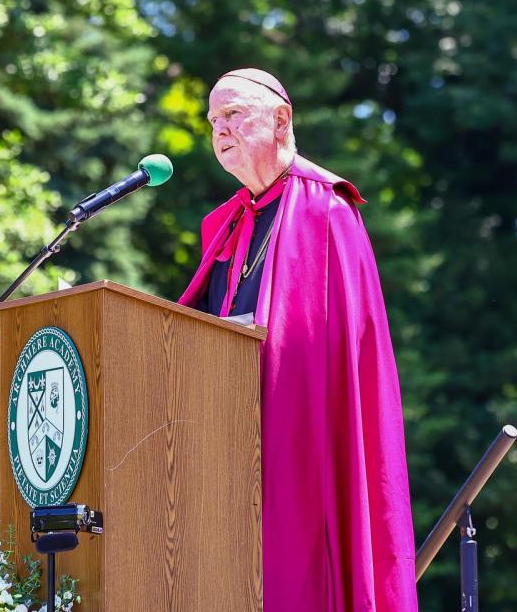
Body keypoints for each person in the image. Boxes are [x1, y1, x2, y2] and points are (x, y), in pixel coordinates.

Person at [178, 69, 419, 611]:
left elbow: (338, 362)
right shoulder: (227, 225)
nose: (220, 129)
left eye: (234, 114)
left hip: (301, 439)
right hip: (225, 443)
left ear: (280, 119)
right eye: (213, 119)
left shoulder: (327, 210)